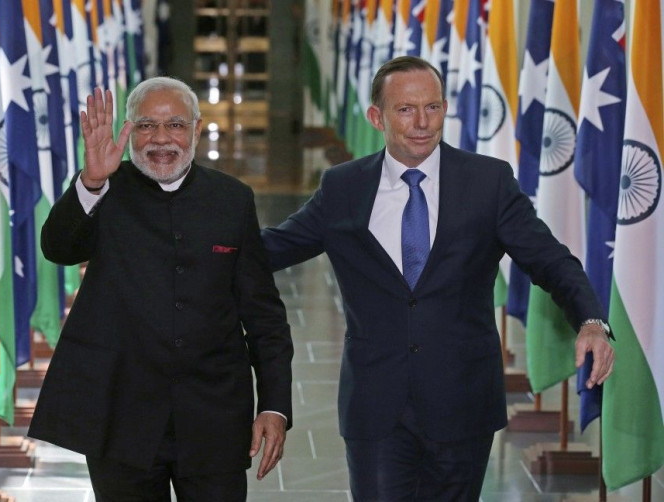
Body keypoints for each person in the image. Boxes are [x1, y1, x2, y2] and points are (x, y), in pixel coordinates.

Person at [261, 56, 615, 501]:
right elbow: (271, 249)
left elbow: (551, 261)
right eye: (405, 110)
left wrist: (591, 320)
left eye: (432, 107)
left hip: (463, 405)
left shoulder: (488, 182)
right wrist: (192, 237)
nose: (422, 123)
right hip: (376, 407)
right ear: (377, 117)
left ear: (445, 107)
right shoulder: (344, 188)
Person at [28, 77, 294, 501]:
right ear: (129, 129)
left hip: (214, 416)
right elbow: (57, 247)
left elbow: (264, 315)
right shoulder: (105, 188)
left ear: (196, 127)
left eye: (175, 125)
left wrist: (274, 405)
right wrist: (91, 181)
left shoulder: (233, 199)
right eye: (147, 126)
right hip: (121, 414)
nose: (162, 139)